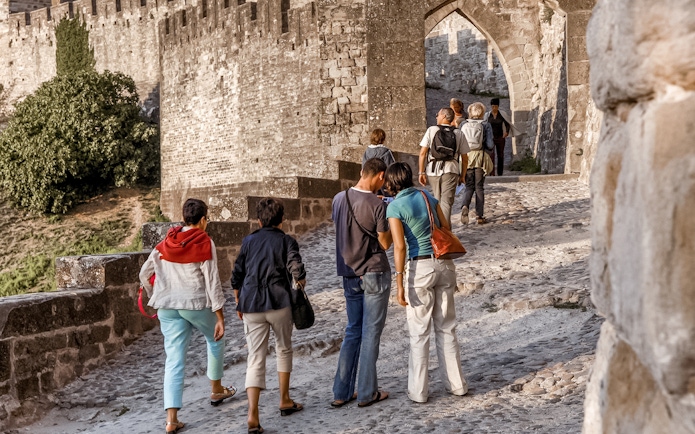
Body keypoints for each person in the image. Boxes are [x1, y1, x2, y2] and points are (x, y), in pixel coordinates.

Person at [139, 198, 236, 434]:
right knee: (216, 339)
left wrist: (155, 294)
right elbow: (212, 282)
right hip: (194, 303)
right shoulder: (204, 241)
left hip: (167, 306)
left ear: (184, 218)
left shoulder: (167, 240)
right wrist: (220, 316)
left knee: (174, 360)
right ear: (203, 220)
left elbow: (144, 274)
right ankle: (216, 389)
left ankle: (171, 420)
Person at [384, 162, 468, 403]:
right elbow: (446, 227)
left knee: (419, 332)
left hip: (419, 267)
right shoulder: (428, 197)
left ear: (391, 183)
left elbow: (399, 247)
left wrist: (399, 282)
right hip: (443, 264)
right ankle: (457, 384)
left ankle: (419, 391)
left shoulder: (395, 207)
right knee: (447, 327)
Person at [232, 198, 306, 434]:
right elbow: (296, 266)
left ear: (258, 220)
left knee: (255, 357)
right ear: (281, 220)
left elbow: (238, 272)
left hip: (251, 302)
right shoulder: (286, 241)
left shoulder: (249, 241)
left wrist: (237, 296)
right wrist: (299, 279)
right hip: (279, 301)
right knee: (284, 348)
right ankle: (284, 399)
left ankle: (253, 412)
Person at [331, 157, 393, 408]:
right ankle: (368, 392)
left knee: (352, 330)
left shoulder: (338, 199)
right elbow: (386, 244)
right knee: (370, 333)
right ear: (379, 176)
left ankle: (341, 391)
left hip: (348, 273)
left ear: (361, 172)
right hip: (373, 270)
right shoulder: (377, 205)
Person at [418, 107, 470, 226]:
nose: (436, 116)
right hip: (451, 169)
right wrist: (462, 175)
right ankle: (446, 233)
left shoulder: (432, 130)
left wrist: (421, 172)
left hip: (433, 170)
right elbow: (465, 157)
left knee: (437, 200)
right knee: (446, 203)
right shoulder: (458, 133)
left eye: (438, 114)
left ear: (444, 116)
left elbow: (423, 153)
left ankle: (438, 230)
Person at [460, 102, 494, 225]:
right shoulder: (485, 124)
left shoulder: (464, 124)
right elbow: (490, 144)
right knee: (479, 187)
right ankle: (479, 216)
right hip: (480, 157)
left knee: (469, 186)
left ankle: (465, 206)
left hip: (466, 157)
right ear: (482, 112)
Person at [484, 97, 521, 176]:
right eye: (493, 106)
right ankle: (491, 172)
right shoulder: (488, 115)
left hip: (500, 137)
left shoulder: (502, 114)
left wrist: (506, 132)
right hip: (491, 137)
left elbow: (507, 123)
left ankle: (500, 172)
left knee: (500, 154)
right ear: (491, 106)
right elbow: (485, 125)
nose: (494, 108)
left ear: (498, 106)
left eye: (496, 106)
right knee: (491, 155)